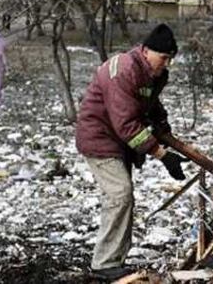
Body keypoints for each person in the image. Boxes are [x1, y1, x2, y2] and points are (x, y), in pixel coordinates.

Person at [75, 24, 187, 281]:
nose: (167, 64)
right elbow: (126, 124)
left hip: (118, 141)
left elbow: (149, 103)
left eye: (171, 59)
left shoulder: (151, 73)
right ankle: (104, 264)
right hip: (99, 138)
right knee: (119, 194)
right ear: (146, 51)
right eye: (164, 58)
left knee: (124, 197)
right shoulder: (124, 70)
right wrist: (161, 154)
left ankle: (115, 260)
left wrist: (163, 127)